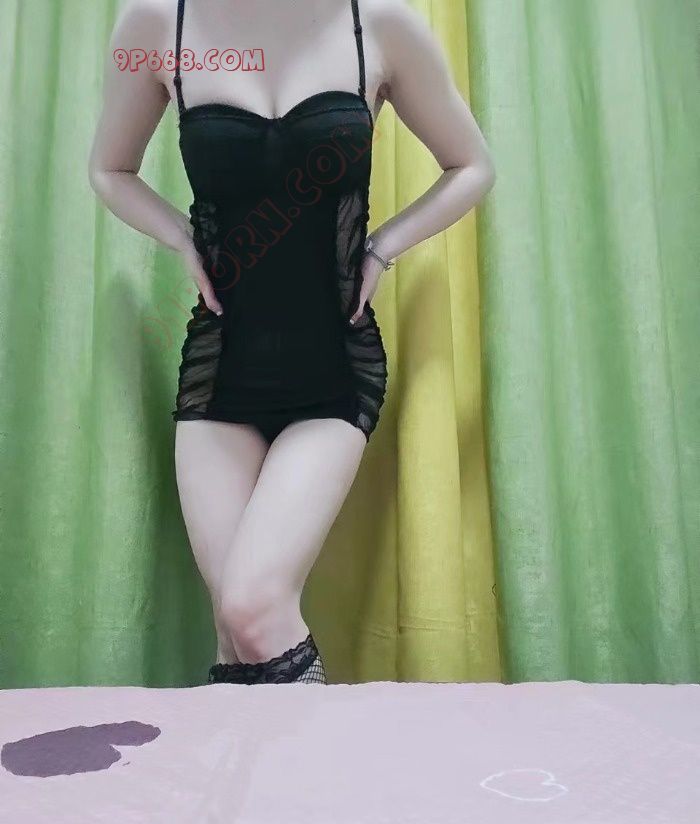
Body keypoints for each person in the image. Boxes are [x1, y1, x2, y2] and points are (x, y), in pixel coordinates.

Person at [88, 0, 495, 685]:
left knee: (252, 608)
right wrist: (181, 240)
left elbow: (471, 164)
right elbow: (109, 168)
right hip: (220, 368)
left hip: (333, 368)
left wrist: (383, 247)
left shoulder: (379, 23)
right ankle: (256, 761)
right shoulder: (160, 23)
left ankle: (327, 756)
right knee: (234, 633)